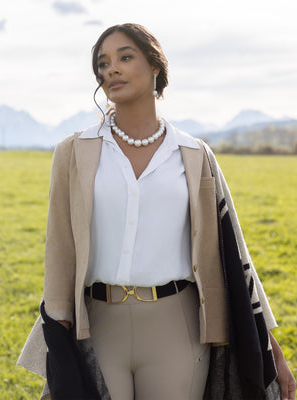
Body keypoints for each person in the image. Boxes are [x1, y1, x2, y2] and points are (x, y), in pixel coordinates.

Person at [18, 23, 296, 400]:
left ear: (155, 67)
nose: (111, 69)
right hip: (98, 325)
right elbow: (60, 249)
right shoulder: (73, 152)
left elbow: (234, 254)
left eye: (125, 57)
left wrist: (269, 348)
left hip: (177, 327)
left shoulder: (195, 155)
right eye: (103, 63)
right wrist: (57, 331)